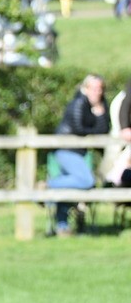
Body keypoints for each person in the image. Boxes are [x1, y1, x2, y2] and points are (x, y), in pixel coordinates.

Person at [48, 74, 110, 236]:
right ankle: (48, 187)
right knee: (87, 180)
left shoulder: (98, 106)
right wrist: (94, 128)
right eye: (94, 88)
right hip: (66, 150)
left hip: (79, 152)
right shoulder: (78, 103)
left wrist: (100, 114)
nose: (97, 92)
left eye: (100, 89)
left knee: (71, 187)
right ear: (85, 88)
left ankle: (62, 226)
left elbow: (103, 131)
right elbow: (79, 129)